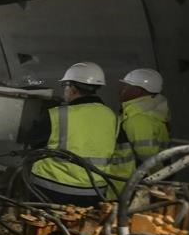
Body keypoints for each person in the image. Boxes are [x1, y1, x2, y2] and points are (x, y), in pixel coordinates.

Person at [25, 62, 119, 206]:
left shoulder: (58, 114)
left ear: (73, 88)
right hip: (94, 191)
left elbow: (33, 141)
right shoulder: (111, 115)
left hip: (53, 188)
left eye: (65, 86)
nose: (64, 91)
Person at [107, 68, 171, 179]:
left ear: (137, 91)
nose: (121, 90)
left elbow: (147, 155)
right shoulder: (151, 114)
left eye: (125, 87)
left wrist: (160, 181)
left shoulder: (138, 118)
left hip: (128, 183)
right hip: (135, 182)